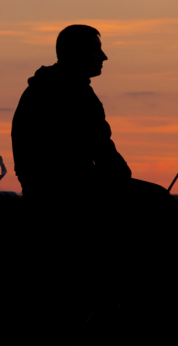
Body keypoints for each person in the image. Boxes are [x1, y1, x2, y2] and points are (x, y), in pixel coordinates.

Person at [11, 24, 169, 211]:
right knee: (159, 197)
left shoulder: (39, 88)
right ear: (77, 52)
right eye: (96, 49)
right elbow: (102, 150)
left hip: (40, 192)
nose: (104, 56)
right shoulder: (76, 94)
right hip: (71, 193)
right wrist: (122, 177)